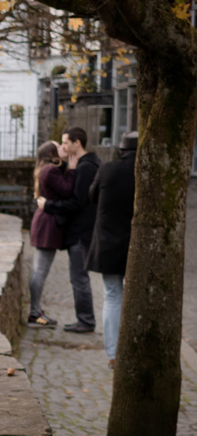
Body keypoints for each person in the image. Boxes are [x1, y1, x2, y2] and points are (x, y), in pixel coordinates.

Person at [37, 126, 101, 333]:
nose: (62, 146)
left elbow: (77, 202)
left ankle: (86, 321)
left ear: (77, 143)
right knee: (78, 277)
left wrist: (48, 206)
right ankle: (84, 319)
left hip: (81, 232)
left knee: (79, 278)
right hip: (80, 231)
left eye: (65, 142)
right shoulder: (85, 164)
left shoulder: (86, 167)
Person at [86, 131, 137, 366]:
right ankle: (135, 347)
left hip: (108, 243)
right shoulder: (146, 173)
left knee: (112, 295)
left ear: (120, 151)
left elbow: (92, 195)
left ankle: (114, 353)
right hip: (136, 246)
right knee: (135, 297)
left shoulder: (107, 169)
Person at [28, 140, 75, 326]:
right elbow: (67, 190)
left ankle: (36, 311)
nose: (64, 148)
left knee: (39, 271)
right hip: (46, 225)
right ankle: (34, 314)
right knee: (40, 271)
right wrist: (71, 170)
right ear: (51, 153)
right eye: (60, 146)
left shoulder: (48, 169)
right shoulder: (50, 170)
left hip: (45, 223)